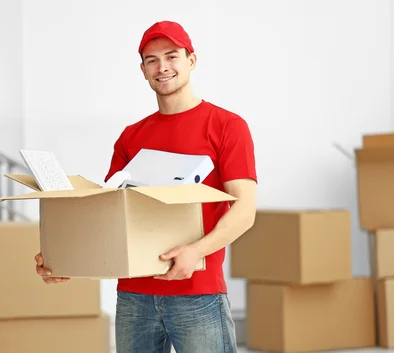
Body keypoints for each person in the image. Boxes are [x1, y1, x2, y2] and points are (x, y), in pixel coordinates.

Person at [35, 20, 257, 353]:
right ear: (142, 70)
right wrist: (64, 258)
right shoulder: (131, 137)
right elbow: (110, 214)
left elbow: (245, 210)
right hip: (134, 298)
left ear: (191, 60)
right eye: (152, 60)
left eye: (172, 56)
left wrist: (195, 251)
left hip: (197, 295)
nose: (162, 67)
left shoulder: (226, 126)